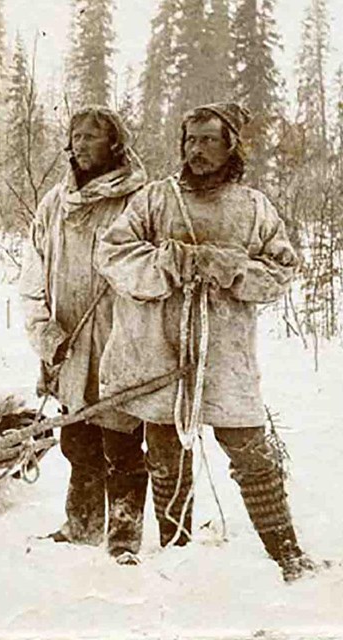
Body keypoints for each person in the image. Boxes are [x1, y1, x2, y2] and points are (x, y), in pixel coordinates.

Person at [97, 102, 316, 582]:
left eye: (209, 140)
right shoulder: (155, 200)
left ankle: (287, 554)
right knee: (166, 456)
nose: (196, 150)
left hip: (224, 358)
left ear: (231, 145)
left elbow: (280, 273)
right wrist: (168, 263)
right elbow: (112, 255)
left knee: (253, 455)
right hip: (157, 354)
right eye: (190, 140)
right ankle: (178, 556)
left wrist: (235, 269)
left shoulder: (254, 207)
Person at [19, 106, 148, 564]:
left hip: (121, 343)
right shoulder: (54, 204)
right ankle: (82, 526)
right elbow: (31, 278)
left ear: (115, 143)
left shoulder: (139, 201)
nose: (81, 144)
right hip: (68, 345)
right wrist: (44, 333)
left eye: (92, 136)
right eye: (75, 135)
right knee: (76, 440)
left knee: (121, 440)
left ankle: (124, 538)